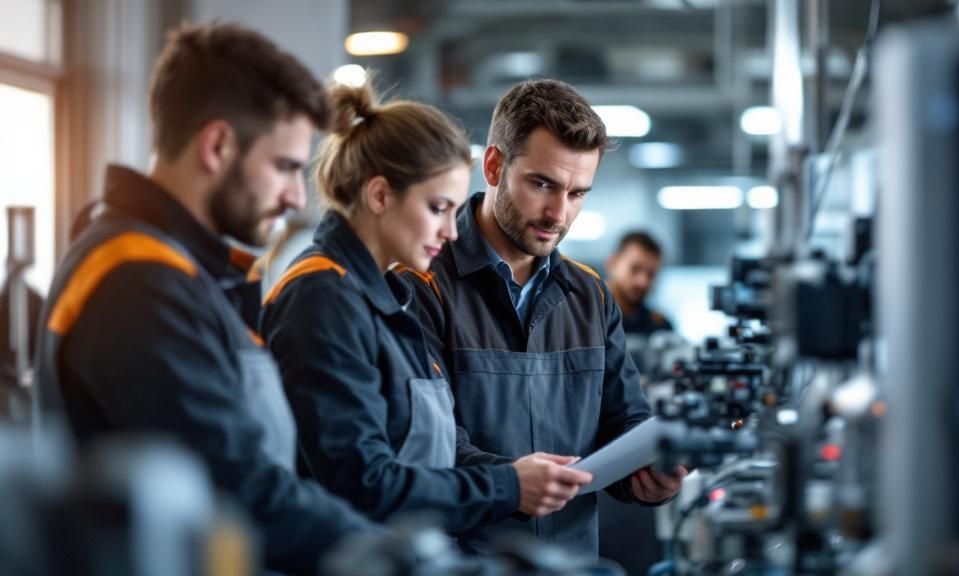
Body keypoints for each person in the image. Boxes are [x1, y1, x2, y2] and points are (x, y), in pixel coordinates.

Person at [33, 23, 379, 574]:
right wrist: (398, 555)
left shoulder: (173, 268)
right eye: (286, 167)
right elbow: (240, 490)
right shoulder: (140, 285)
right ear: (217, 146)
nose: (295, 196)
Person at [259, 79, 592, 532]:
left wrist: (515, 477)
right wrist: (507, 486)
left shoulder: (385, 297)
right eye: (438, 208)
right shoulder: (323, 298)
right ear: (379, 195)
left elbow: (431, 451)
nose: (452, 232)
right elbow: (364, 483)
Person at [400, 78, 685, 556]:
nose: (559, 213)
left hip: (569, 563)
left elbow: (625, 421)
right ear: (494, 166)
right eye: (542, 184)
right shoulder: (423, 283)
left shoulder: (590, 296)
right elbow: (427, 445)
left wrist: (650, 474)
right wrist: (511, 483)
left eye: (577, 193)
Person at [606, 231, 675, 336]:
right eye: (635, 269)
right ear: (613, 263)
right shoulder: (583, 318)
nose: (643, 282)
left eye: (651, 274)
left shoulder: (660, 326)